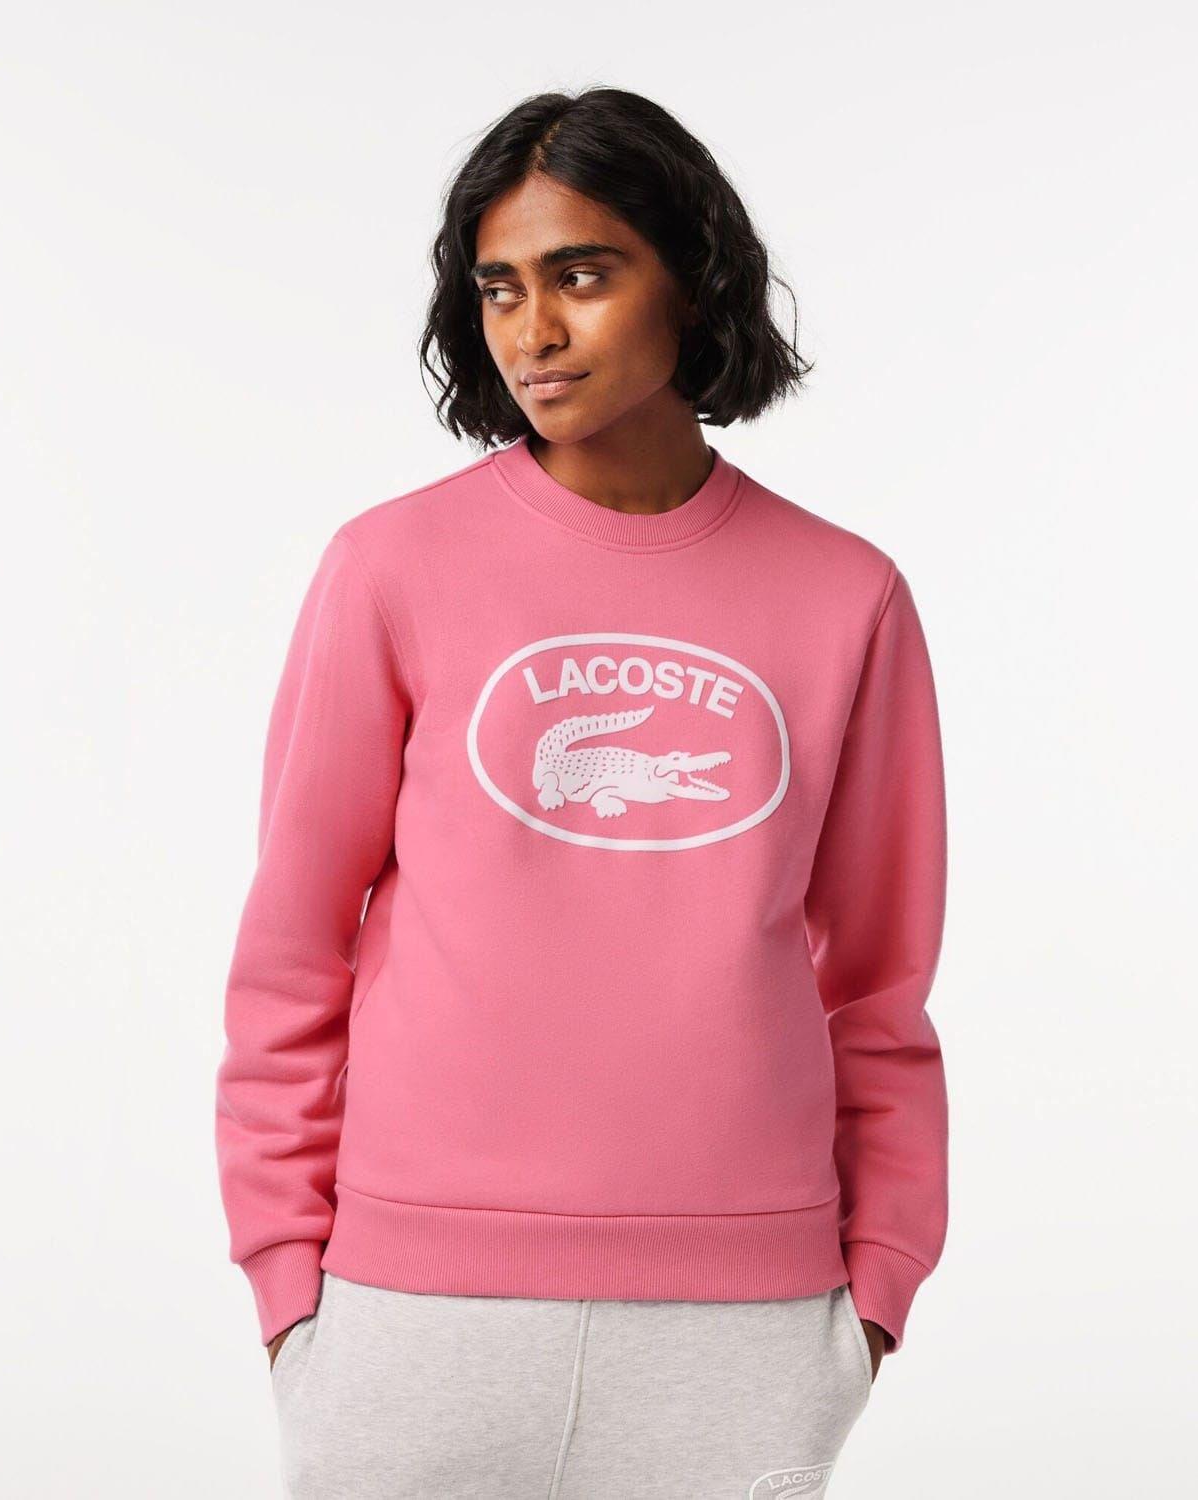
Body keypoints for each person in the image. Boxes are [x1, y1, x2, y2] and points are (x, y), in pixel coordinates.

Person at [214, 85, 949, 1499]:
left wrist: (874, 1295)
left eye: (583, 276)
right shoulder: (390, 568)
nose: (532, 331)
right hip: (412, 1310)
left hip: (746, 1319)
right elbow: (293, 947)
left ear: (695, 280)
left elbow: (881, 984)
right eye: (499, 288)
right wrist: (288, 1283)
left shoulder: (846, 596)